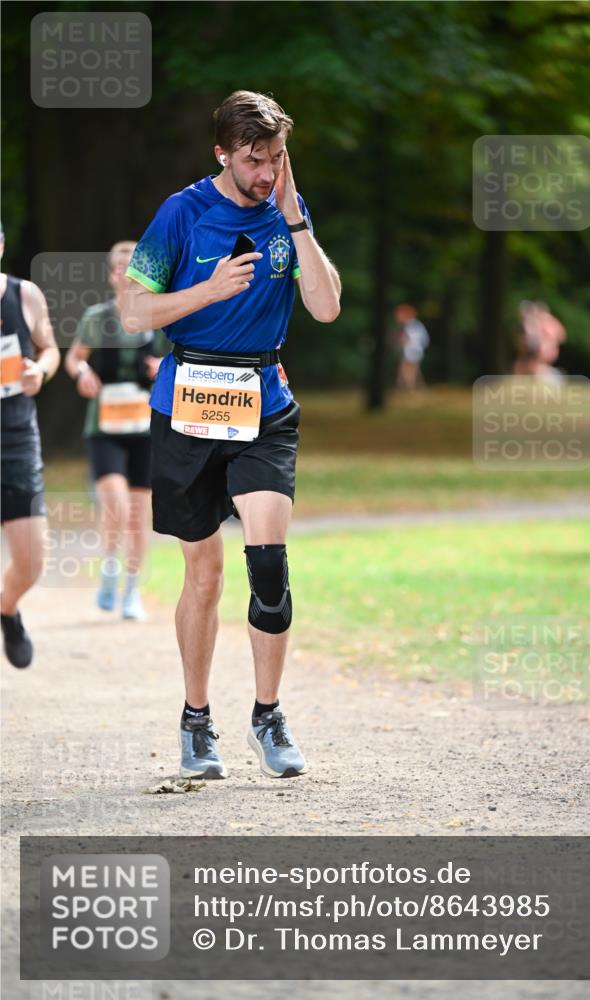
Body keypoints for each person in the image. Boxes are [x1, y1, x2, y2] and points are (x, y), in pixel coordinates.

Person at [121, 91, 341, 779]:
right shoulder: (180, 213)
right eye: (253, 160)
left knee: (268, 565)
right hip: (189, 401)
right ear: (221, 153)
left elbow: (326, 307)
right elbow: (132, 312)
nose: (265, 172)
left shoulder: (286, 214)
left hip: (264, 402)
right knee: (206, 576)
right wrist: (206, 293)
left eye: (276, 158)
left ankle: (268, 715)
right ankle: (196, 720)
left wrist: (295, 215)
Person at [65, 241, 166, 620]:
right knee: (116, 506)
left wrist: (163, 366)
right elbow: (74, 357)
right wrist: (82, 372)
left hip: (144, 428)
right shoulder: (98, 317)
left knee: (138, 514)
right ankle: (109, 568)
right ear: (110, 275)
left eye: (133, 266)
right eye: (119, 267)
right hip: (105, 426)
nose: (126, 274)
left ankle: (131, 592)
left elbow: (182, 357)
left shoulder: (160, 316)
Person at [1, 223, 60, 667]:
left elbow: (50, 349)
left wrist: (40, 370)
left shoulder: (25, 295)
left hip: (17, 436)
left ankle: (7, 606)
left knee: (32, 561)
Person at [394, 304, 429, 390]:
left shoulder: (408, 325)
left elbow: (405, 339)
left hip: (410, 350)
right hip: (417, 350)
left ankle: (410, 388)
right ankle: (417, 387)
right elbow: (425, 339)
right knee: (411, 369)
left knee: (408, 370)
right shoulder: (417, 324)